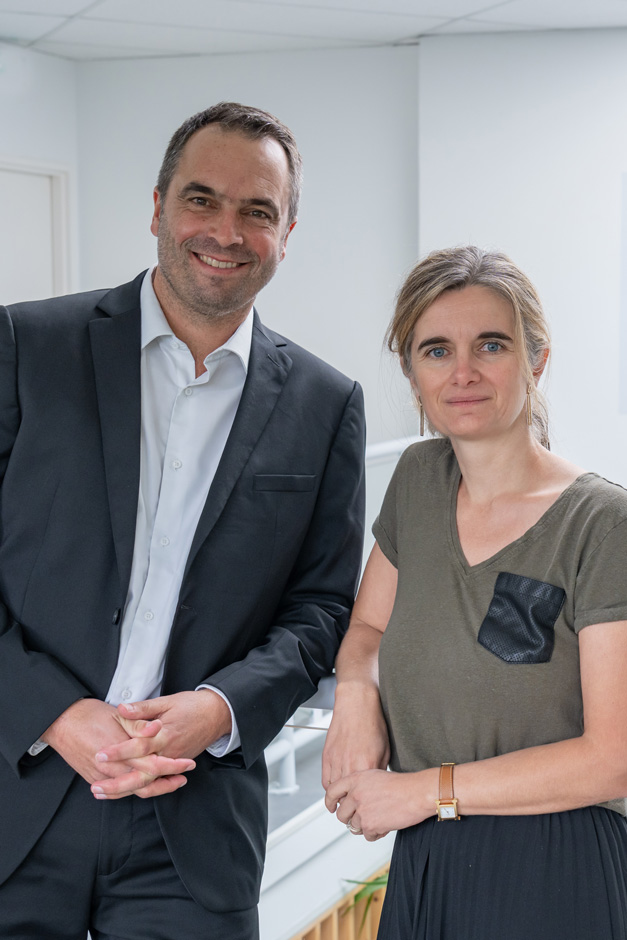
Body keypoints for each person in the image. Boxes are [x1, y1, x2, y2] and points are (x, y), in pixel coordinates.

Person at [0, 102, 365, 940]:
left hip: (192, 825)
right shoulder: (27, 347)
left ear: (288, 231)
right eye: (202, 199)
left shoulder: (323, 404)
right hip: (18, 794)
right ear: (158, 206)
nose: (226, 231)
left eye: (258, 211)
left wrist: (216, 708)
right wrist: (57, 713)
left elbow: (320, 614)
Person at [322, 245, 627, 939]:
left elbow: (613, 756)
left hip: (554, 870)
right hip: (427, 860)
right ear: (410, 372)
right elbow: (367, 630)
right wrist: (354, 697)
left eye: (490, 345)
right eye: (434, 351)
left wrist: (417, 792)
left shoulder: (602, 525)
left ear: (535, 359)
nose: (461, 372)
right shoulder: (418, 480)